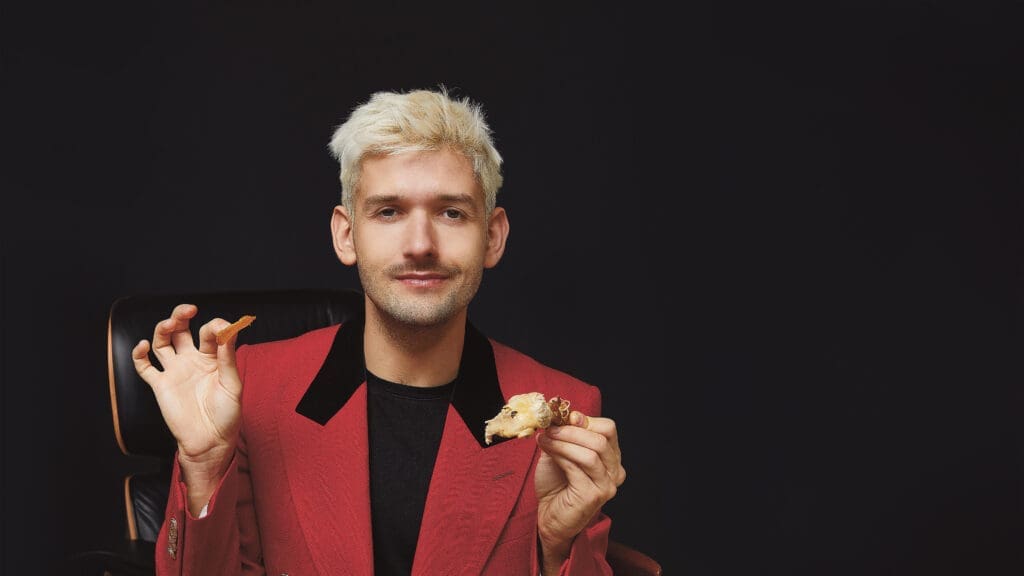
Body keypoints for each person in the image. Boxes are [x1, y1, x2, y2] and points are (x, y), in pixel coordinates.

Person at [132, 87, 626, 576]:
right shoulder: (250, 387)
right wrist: (202, 467)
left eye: (451, 212)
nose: (419, 244)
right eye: (388, 211)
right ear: (346, 235)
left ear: (492, 237)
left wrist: (558, 547)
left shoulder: (564, 407)